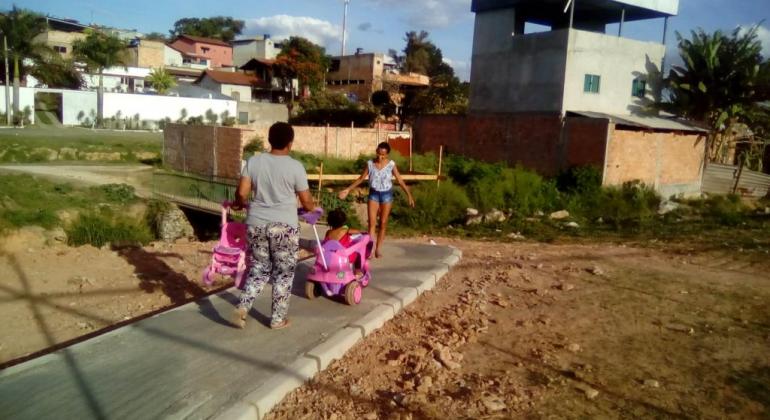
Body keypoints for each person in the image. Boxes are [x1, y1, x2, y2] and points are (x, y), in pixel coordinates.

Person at [231, 122, 317, 330]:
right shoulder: (295, 167)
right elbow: (306, 200)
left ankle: (243, 307)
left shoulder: (254, 161)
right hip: (284, 227)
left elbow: (241, 193)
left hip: (256, 224)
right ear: (290, 142)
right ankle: (278, 319)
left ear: (269, 140)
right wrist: (312, 209)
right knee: (283, 273)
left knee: (259, 269)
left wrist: (240, 204)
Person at [338, 142, 414, 258]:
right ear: (376, 152)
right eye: (378, 154)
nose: (380, 157)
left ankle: (378, 249)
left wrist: (409, 195)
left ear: (387, 155)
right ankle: (370, 249)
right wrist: (348, 189)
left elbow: (400, 180)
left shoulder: (391, 165)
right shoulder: (370, 164)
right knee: (372, 223)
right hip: (373, 195)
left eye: (383, 155)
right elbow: (361, 179)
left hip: (386, 195)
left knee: (383, 223)